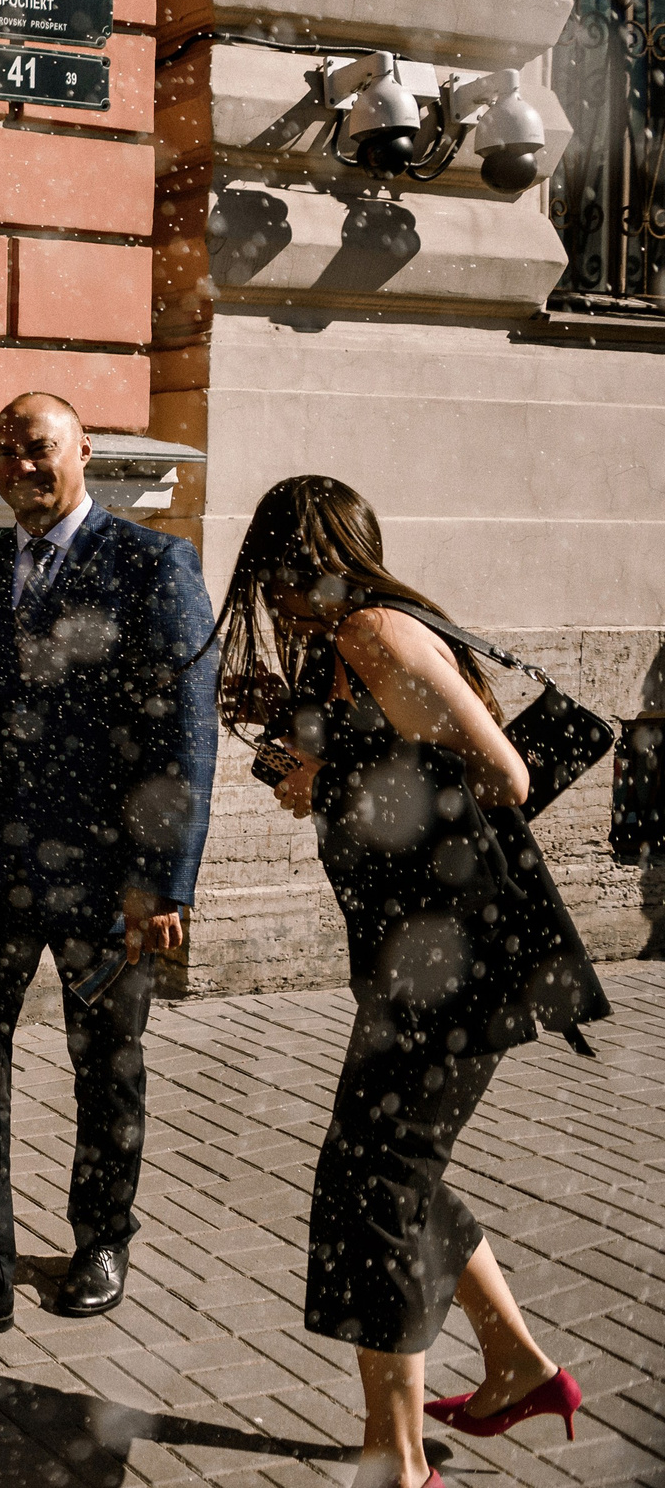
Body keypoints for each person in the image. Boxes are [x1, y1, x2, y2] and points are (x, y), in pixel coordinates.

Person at [213, 475, 604, 1488]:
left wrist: (332, 764)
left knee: (369, 1189)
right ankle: (516, 1365)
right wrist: (304, 750)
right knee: (394, 1169)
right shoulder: (350, 645)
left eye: (274, 571)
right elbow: (368, 776)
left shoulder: (373, 632)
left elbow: (501, 777)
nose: (271, 600)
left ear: (291, 560)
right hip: (421, 962)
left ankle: (398, 1459)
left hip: (455, 965)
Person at [0, 392, 218, 1346]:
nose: (20, 466)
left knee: (106, 1063)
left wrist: (166, 878)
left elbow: (184, 734)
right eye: (4, 452)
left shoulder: (153, 565)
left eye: (37, 449)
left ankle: (104, 1237)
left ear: (84, 452)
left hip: (108, 874)